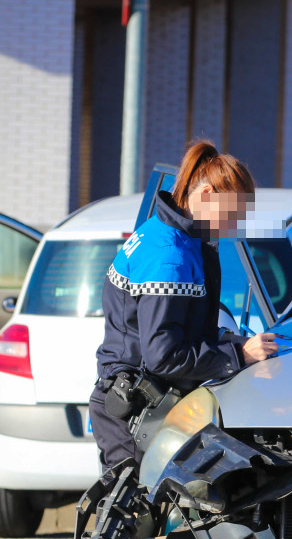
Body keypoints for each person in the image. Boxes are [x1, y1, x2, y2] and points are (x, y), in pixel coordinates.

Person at [89, 139, 277, 475]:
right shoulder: (169, 255)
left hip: (140, 405)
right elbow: (164, 355)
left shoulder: (175, 235)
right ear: (206, 196)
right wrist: (238, 356)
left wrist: (238, 344)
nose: (234, 226)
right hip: (135, 415)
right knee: (136, 522)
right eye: (231, 213)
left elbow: (190, 329)